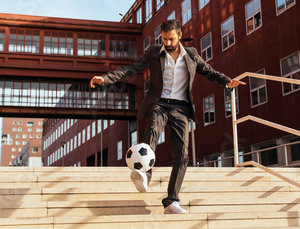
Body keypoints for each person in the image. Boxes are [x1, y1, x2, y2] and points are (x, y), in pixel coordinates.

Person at [90, 19, 244, 214]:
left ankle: (172, 201)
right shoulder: (153, 53)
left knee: (182, 155)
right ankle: (144, 175)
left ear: (179, 36)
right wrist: (105, 78)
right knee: (152, 130)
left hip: (180, 109)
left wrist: (227, 82)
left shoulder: (192, 55)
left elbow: (209, 72)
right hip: (159, 104)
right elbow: (131, 68)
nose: (168, 43)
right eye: (164, 39)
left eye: (171, 39)